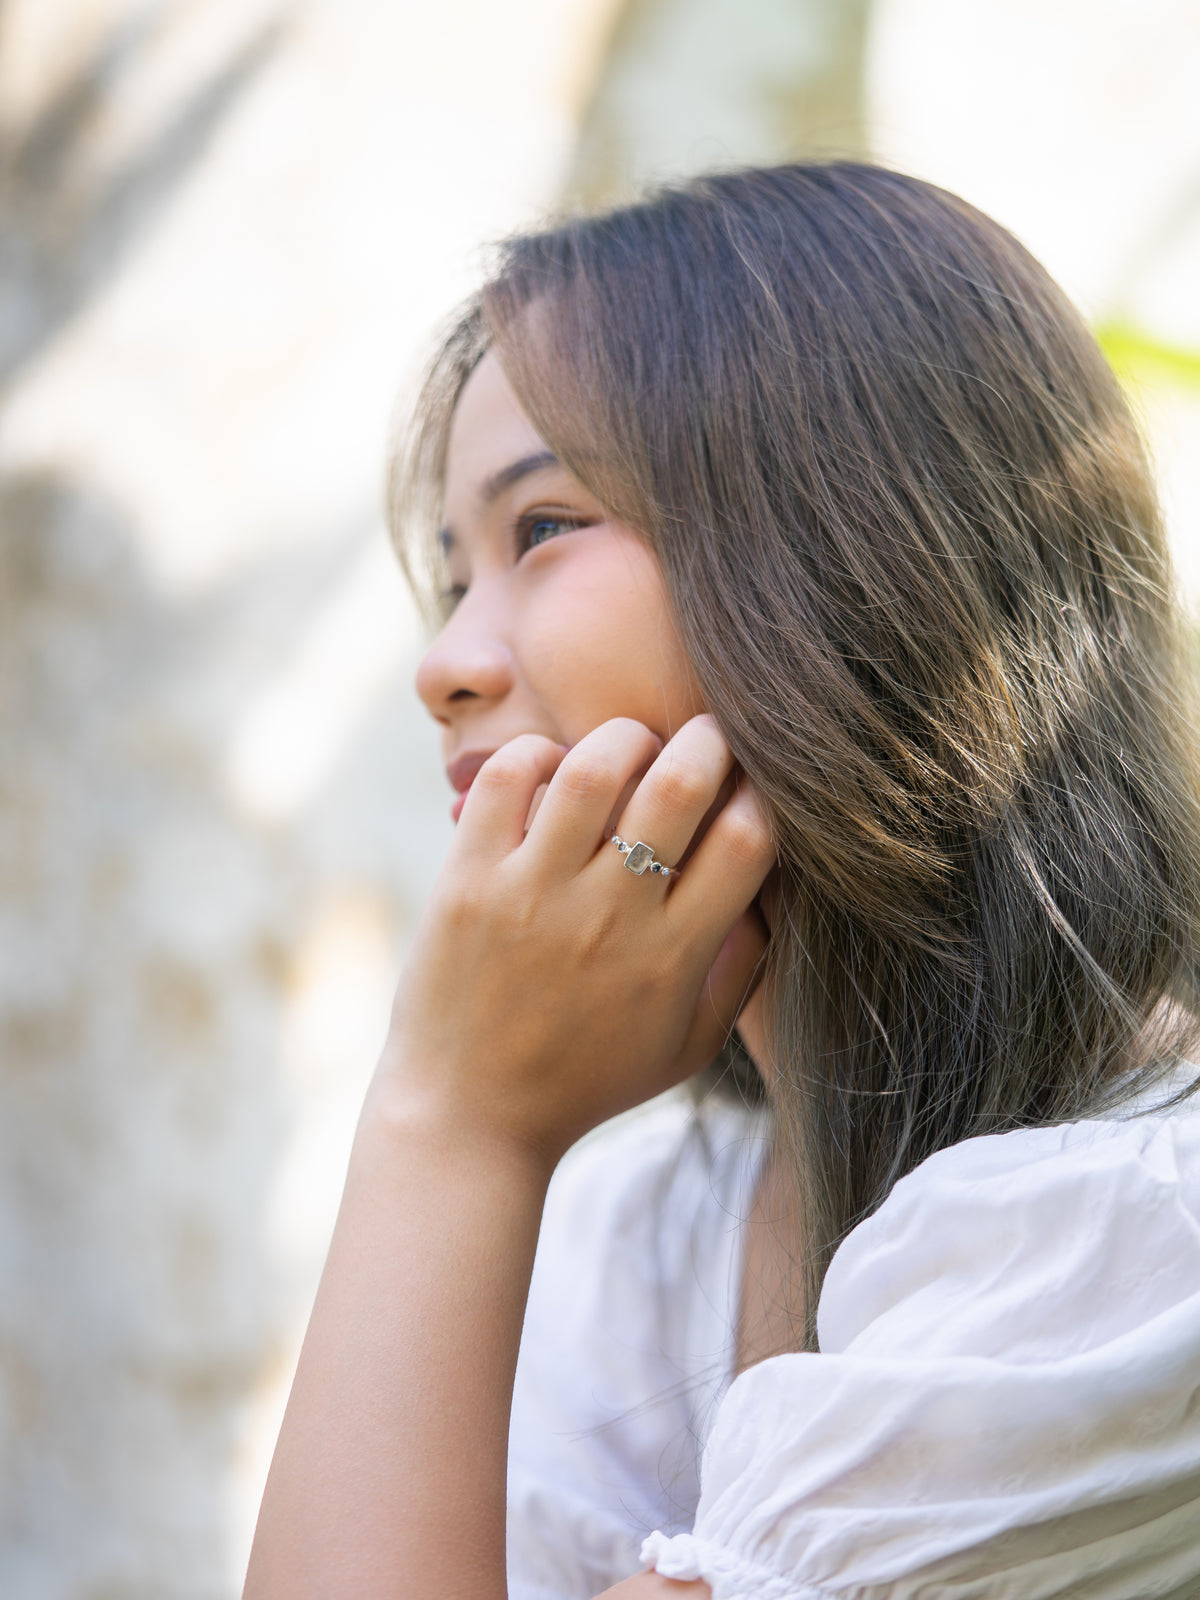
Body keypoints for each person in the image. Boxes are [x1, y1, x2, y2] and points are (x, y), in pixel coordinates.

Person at [242, 163, 1200, 1599]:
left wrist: (455, 1128)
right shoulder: (659, 1220)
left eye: (543, 531)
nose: (445, 663)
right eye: (453, 578)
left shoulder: (1124, 1232)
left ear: (851, 552)